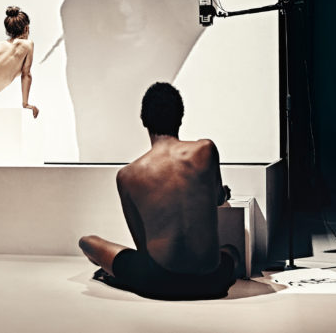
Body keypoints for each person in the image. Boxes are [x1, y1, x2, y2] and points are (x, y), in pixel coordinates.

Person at [78, 82, 241, 300]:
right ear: (180, 117)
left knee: (87, 242)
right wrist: (222, 194)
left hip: (159, 284)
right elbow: (217, 198)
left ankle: (115, 276)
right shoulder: (206, 149)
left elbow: (143, 249)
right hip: (211, 281)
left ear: (144, 120)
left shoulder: (128, 175)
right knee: (231, 251)